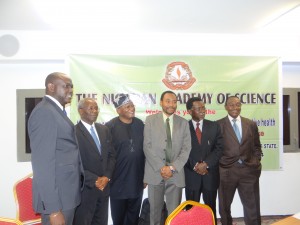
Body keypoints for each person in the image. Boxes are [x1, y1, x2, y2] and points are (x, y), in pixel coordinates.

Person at [28, 72, 84, 225]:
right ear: (51, 87)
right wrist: (53, 210)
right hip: (58, 202)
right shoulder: (45, 112)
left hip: (66, 196)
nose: (70, 90)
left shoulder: (56, 111)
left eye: (71, 87)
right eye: (66, 86)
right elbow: (43, 165)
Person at [143, 90, 191, 225]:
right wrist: (161, 167)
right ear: (161, 103)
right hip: (155, 172)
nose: (171, 104)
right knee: (155, 214)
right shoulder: (150, 120)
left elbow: (186, 149)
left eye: (174, 102)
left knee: (174, 215)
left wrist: (172, 167)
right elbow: (147, 146)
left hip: (176, 174)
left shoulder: (183, 123)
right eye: (168, 101)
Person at [217, 96, 263, 225]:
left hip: (248, 171)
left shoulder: (251, 124)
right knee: (224, 206)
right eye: (231, 105)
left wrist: (256, 161)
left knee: (252, 206)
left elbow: (256, 146)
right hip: (227, 172)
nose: (235, 107)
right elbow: (215, 149)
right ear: (226, 107)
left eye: (238, 104)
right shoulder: (218, 125)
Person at [73, 98, 116, 225]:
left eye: (96, 108)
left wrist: (107, 177)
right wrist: (94, 180)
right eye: (91, 108)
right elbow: (74, 163)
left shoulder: (104, 130)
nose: (95, 111)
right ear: (81, 111)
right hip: (85, 190)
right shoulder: (73, 132)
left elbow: (112, 155)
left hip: (103, 189)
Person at [105, 94, 145, 225]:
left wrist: (145, 177)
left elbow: (146, 152)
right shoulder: (109, 127)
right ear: (118, 110)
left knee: (133, 219)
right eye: (127, 106)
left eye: (132, 105)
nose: (131, 108)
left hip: (136, 182)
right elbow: (106, 156)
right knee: (119, 219)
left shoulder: (140, 124)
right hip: (117, 184)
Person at [184, 97, 223, 224]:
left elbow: (219, 148)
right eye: (198, 108)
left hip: (209, 175)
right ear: (189, 111)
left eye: (203, 108)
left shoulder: (214, 126)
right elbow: (180, 151)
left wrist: (206, 164)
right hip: (191, 176)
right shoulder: (183, 128)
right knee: (191, 210)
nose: (202, 111)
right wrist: (195, 166)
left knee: (210, 209)